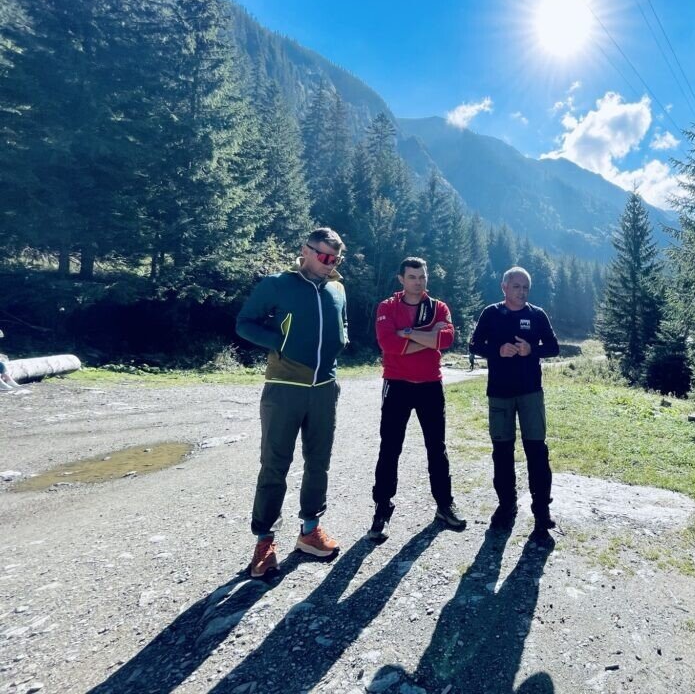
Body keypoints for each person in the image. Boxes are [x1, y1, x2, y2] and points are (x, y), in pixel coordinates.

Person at [235, 228, 349, 578]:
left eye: (336, 259)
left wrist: (343, 338)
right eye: (325, 257)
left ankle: (310, 531)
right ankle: (264, 542)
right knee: (274, 464)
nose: (330, 264)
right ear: (306, 251)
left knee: (319, 462)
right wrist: (280, 342)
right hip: (285, 386)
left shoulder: (337, 288)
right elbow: (245, 323)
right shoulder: (278, 284)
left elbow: (342, 323)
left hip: (324, 388)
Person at [368, 257, 466, 542]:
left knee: (437, 447)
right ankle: (382, 508)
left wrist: (409, 333)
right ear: (401, 279)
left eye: (422, 276)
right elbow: (388, 343)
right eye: (412, 277)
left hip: (430, 385)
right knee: (390, 447)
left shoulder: (438, 308)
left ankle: (444, 504)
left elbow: (446, 340)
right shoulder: (387, 307)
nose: (418, 282)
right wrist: (428, 338)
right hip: (397, 384)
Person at [469, 266, 560, 547]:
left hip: (531, 393)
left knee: (537, 451)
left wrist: (532, 350)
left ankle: (541, 512)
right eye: (517, 286)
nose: (521, 292)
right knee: (502, 452)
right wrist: (497, 350)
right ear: (504, 287)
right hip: (499, 393)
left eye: (525, 288)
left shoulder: (537, 315)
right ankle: (506, 505)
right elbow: (474, 344)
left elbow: (554, 347)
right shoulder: (491, 313)